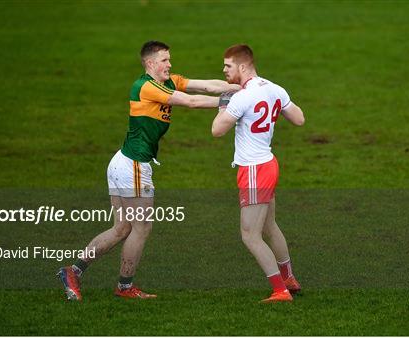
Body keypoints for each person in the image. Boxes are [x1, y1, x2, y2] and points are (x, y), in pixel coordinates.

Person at [58, 41, 241, 301]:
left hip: (123, 163)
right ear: (150, 63)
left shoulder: (169, 81)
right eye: (165, 60)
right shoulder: (145, 86)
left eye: (169, 59)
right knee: (140, 228)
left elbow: (207, 85)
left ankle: (72, 271)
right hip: (133, 165)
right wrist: (228, 102)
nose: (169, 64)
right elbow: (190, 102)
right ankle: (124, 286)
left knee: (122, 228)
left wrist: (242, 85)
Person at [212, 44, 305, 303]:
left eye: (227, 66)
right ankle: (289, 278)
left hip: (253, 170)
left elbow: (216, 131)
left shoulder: (241, 97)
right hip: (269, 163)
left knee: (250, 235)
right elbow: (299, 119)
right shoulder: (274, 88)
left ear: (242, 67)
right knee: (269, 226)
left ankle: (280, 290)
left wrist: (223, 102)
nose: (224, 70)